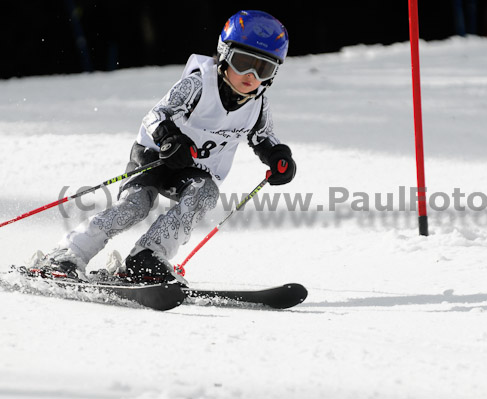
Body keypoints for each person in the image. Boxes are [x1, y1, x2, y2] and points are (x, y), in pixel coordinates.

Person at [31, 10, 296, 284]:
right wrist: (169, 139)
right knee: (136, 205)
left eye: (263, 69)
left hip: (192, 168)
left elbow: (264, 137)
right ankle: (67, 254)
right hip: (155, 156)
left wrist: (279, 157)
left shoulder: (258, 104)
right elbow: (156, 115)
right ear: (225, 54)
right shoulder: (199, 84)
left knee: (205, 193)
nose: (251, 76)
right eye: (242, 63)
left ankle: (146, 256)